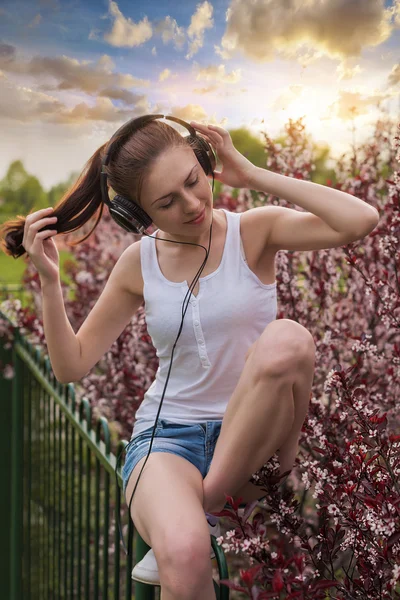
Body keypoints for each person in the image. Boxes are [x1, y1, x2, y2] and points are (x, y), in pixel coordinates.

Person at [0, 117, 319, 600]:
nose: (191, 205)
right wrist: (49, 281)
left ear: (205, 163)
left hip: (253, 443)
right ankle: (194, 522)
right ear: (135, 213)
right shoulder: (139, 262)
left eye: (193, 181)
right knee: (186, 556)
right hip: (167, 443)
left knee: (290, 338)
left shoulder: (254, 231)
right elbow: (71, 367)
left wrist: (252, 174)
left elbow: (360, 220)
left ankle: (204, 506)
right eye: (166, 202)